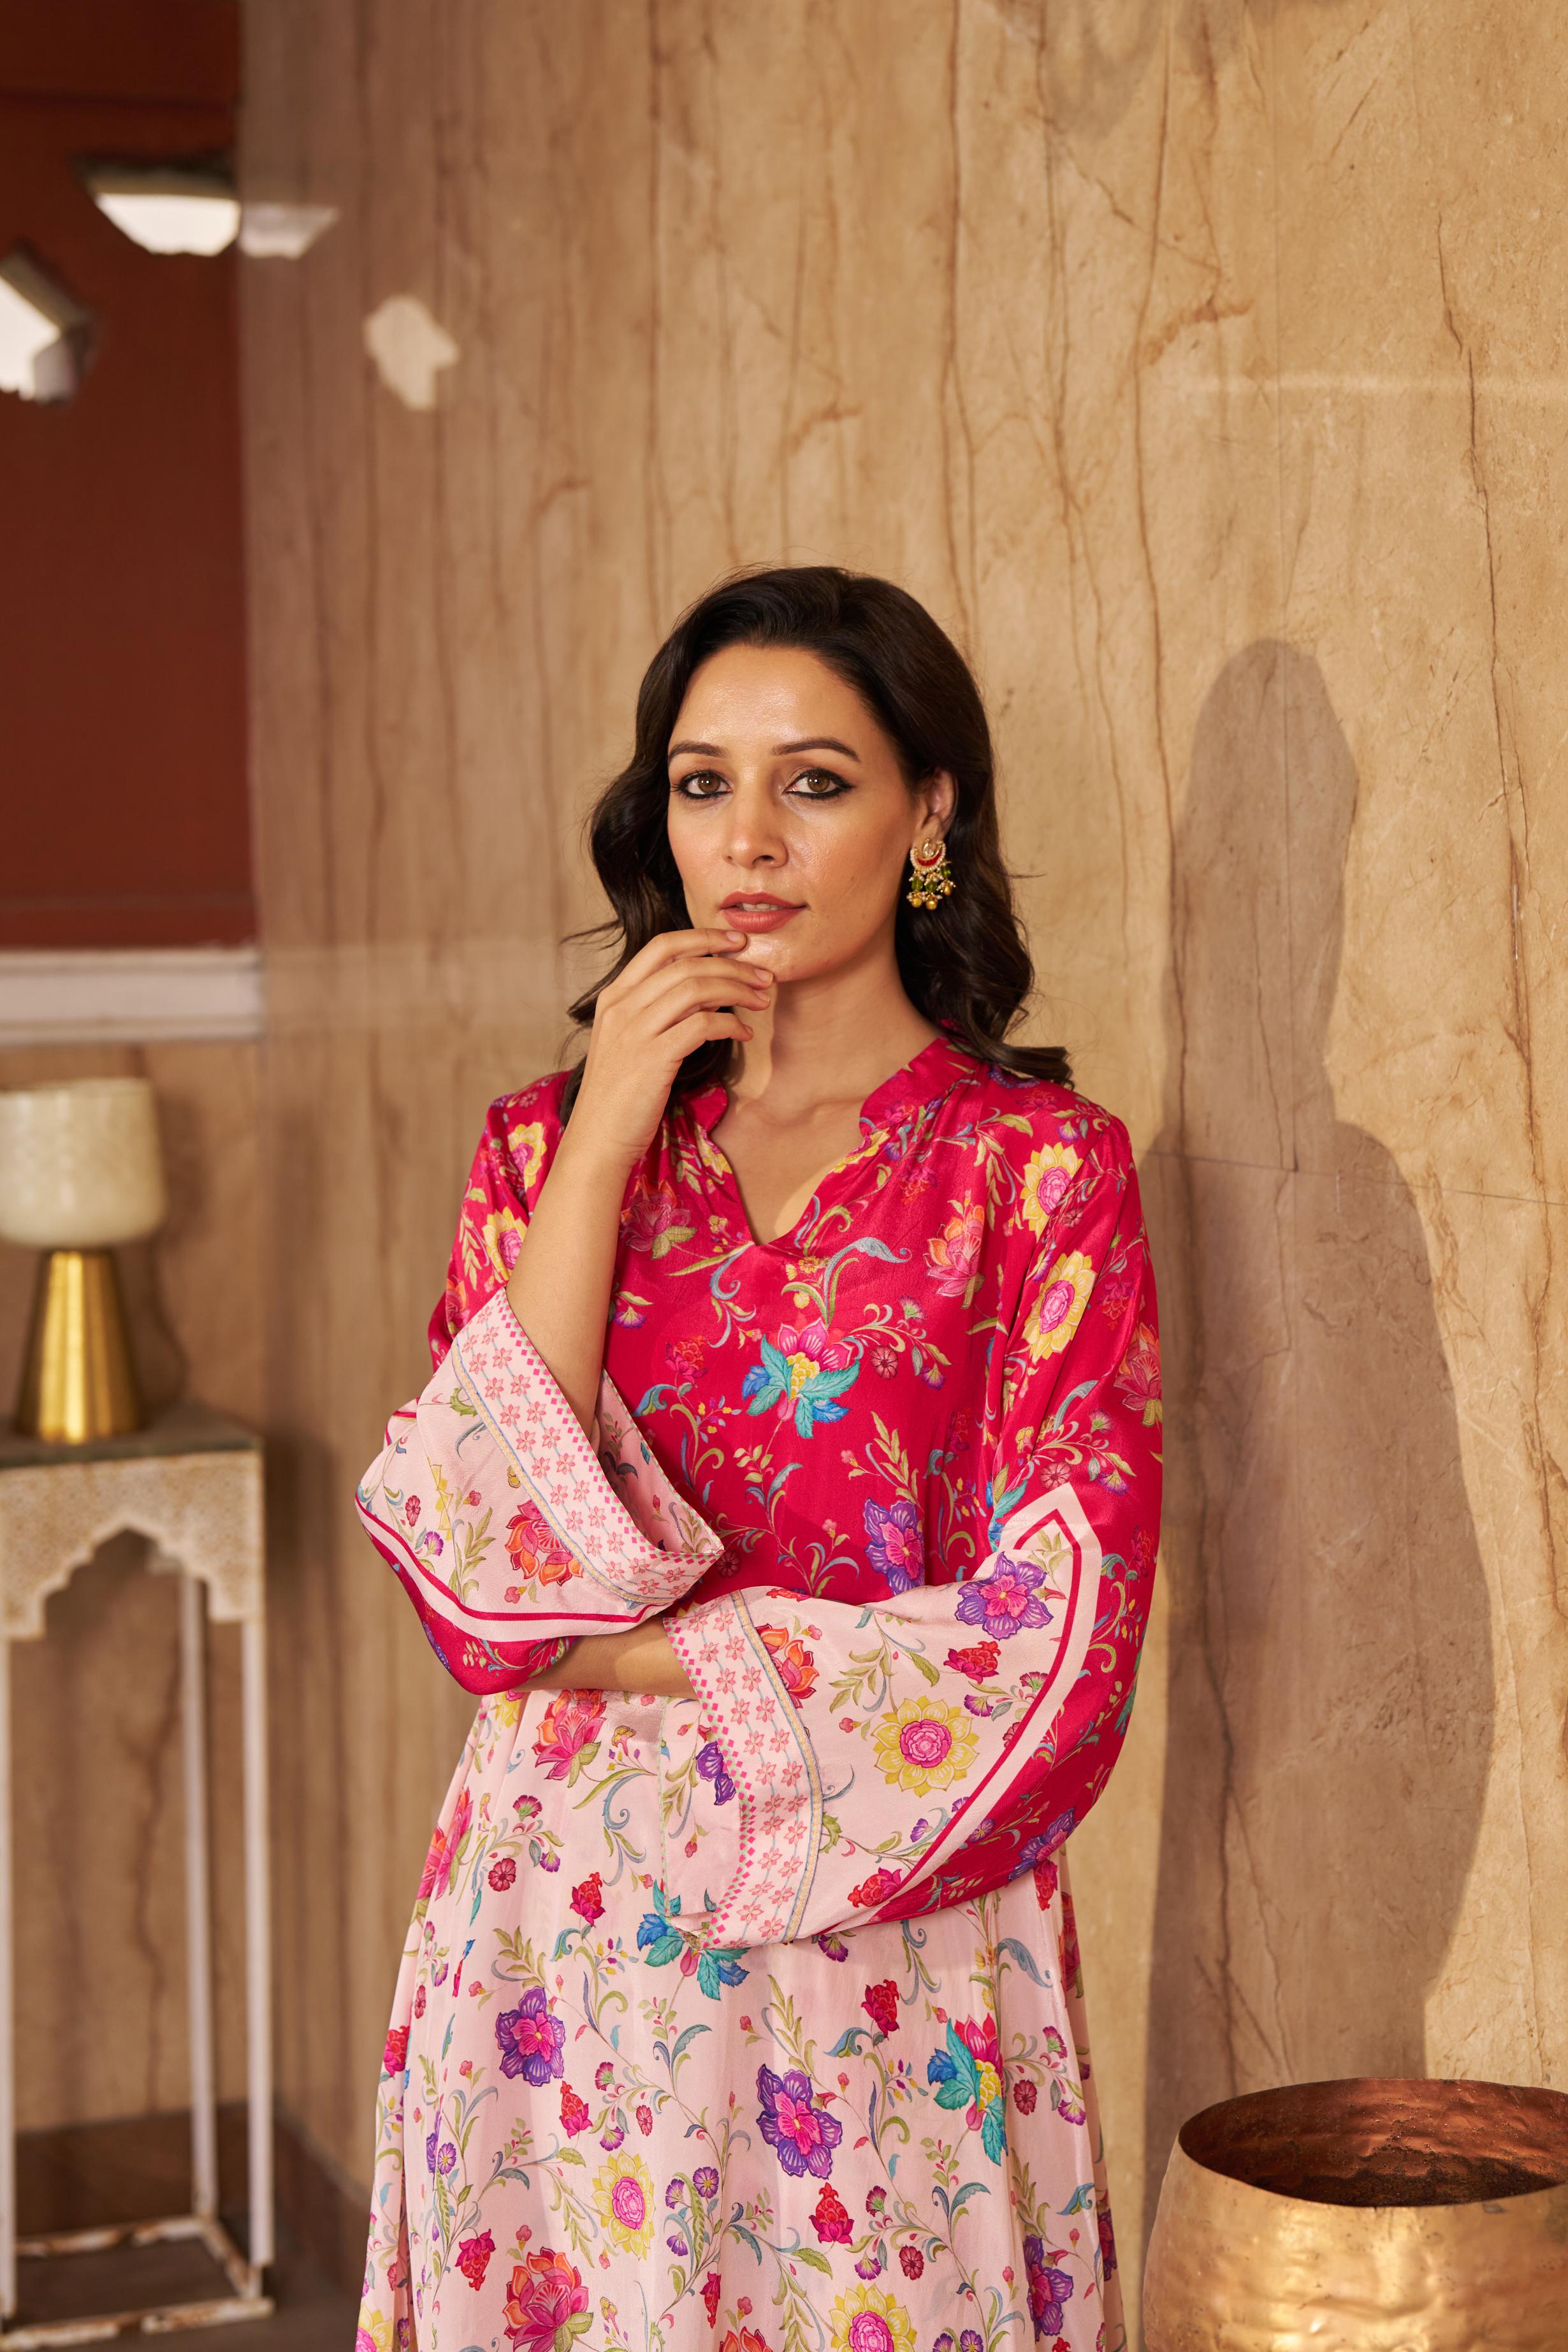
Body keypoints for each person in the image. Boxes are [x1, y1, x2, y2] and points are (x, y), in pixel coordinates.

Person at [353, 567, 1160, 2352]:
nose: (749, 838)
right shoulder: (543, 1154)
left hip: (882, 1917)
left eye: (815, 780)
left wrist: (619, 1658)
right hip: (557, 1930)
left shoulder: (1037, 1174)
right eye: (703, 783)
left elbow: (1057, 1638)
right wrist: (606, 1131)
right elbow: (477, 1576)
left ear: (928, 812)